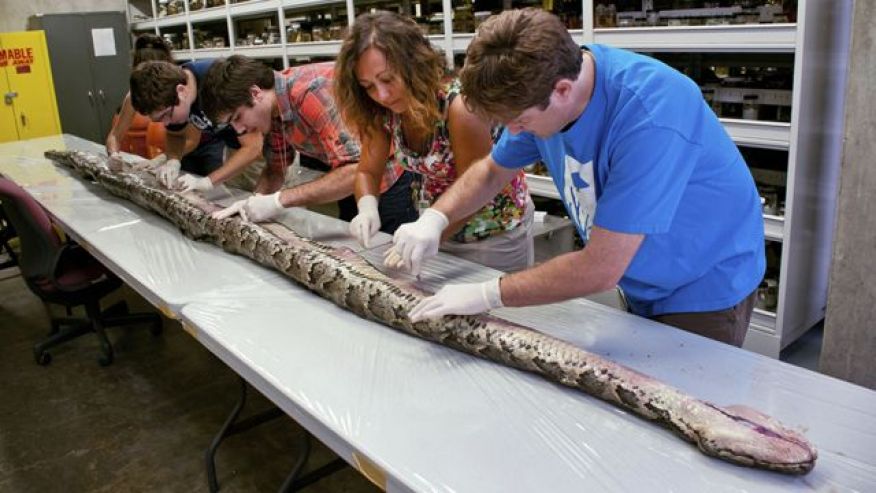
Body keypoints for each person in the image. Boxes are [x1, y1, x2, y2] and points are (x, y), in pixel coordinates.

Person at [397, 9, 765, 348]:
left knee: (676, 404)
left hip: (702, 285)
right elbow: (494, 169)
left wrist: (489, 293)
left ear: (562, 90)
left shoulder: (652, 115)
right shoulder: (538, 87)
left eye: (520, 122)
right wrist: (436, 218)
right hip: (639, 276)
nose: (513, 131)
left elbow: (601, 268)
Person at [334, 11, 534, 271]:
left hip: (491, 232)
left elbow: (478, 189)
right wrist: (367, 207)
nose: (381, 95)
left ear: (413, 64)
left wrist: (432, 231)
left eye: (387, 79)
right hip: (435, 226)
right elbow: (368, 171)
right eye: (368, 86)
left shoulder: (459, 107)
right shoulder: (384, 111)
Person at [202, 55, 417, 233]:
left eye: (237, 117)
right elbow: (275, 169)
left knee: (390, 258)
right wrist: (252, 203)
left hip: (387, 181)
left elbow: (355, 170)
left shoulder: (311, 92)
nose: (240, 130)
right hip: (349, 185)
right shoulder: (273, 112)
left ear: (255, 94)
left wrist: (278, 201)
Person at [128, 59, 267, 191]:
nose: (166, 123)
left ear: (181, 91)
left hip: (271, 147)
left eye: (166, 115)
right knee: (235, 197)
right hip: (235, 146)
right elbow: (175, 134)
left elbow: (253, 148)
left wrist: (207, 181)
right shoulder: (171, 96)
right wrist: (173, 160)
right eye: (159, 119)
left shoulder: (218, 84)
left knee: (266, 204)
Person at [105, 34, 173, 160]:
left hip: (195, 151)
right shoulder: (134, 96)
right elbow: (114, 136)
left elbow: (191, 139)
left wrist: (168, 160)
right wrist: (114, 154)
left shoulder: (182, 88)